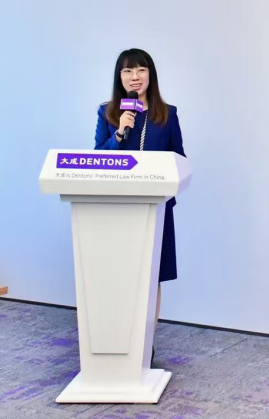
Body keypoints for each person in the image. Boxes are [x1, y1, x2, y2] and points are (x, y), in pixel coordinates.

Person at [94, 48, 185, 365]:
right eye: (128, 71)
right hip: (117, 208)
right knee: (119, 273)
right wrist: (120, 132)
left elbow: (179, 159)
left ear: (150, 75)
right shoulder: (108, 113)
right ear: (119, 77)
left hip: (156, 209)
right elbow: (98, 158)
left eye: (141, 70)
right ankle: (117, 338)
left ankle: (146, 340)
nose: (135, 77)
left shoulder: (167, 114)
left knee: (151, 275)